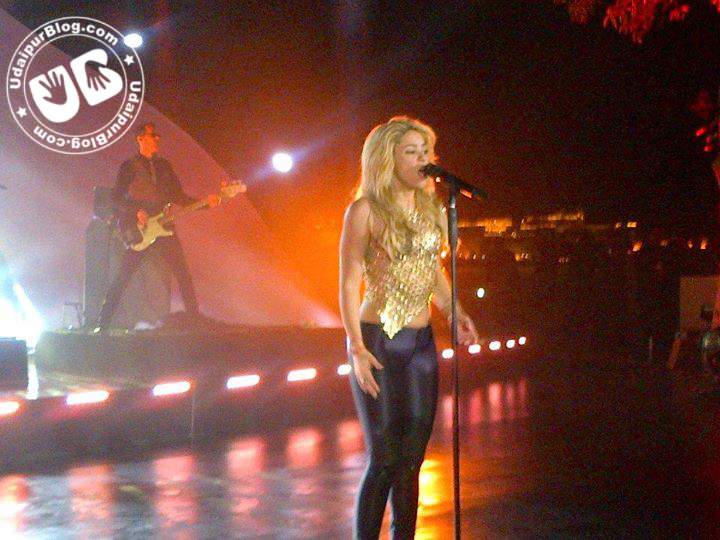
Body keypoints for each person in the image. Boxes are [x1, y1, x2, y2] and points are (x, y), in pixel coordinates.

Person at [339, 116, 479, 539]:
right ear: (388, 159)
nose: (423, 160)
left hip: (420, 344)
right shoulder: (364, 210)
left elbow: (432, 270)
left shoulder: (430, 208)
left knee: (411, 461)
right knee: (384, 459)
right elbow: (348, 280)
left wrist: (454, 311)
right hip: (377, 340)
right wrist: (356, 346)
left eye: (426, 151)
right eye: (411, 152)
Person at [94, 122, 221, 330]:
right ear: (140, 139)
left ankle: (195, 321)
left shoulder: (165, 166)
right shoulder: (129, 166)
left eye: (157, 136)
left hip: (164, 226)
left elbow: (178, 196)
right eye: (152, 136)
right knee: (124, 275)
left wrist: (206, 203)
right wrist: (135, 212)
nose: (157, 139)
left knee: (182, 273)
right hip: (141, 229)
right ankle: (103, 322)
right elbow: (116, 198)